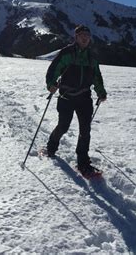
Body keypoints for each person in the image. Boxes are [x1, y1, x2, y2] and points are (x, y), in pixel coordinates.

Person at [44, 24, 107, 177]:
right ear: (76, 37)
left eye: (87, 36)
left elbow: (96, 77)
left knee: (85, 130)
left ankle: (83, 162)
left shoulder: (91, 57)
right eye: (82, 35)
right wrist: (51, 84)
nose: (85, 38)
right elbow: (54, 69)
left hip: (85, 98)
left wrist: (101, 91)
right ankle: (51, 147)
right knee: (63, 126)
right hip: (67, 97)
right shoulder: (67, 53)